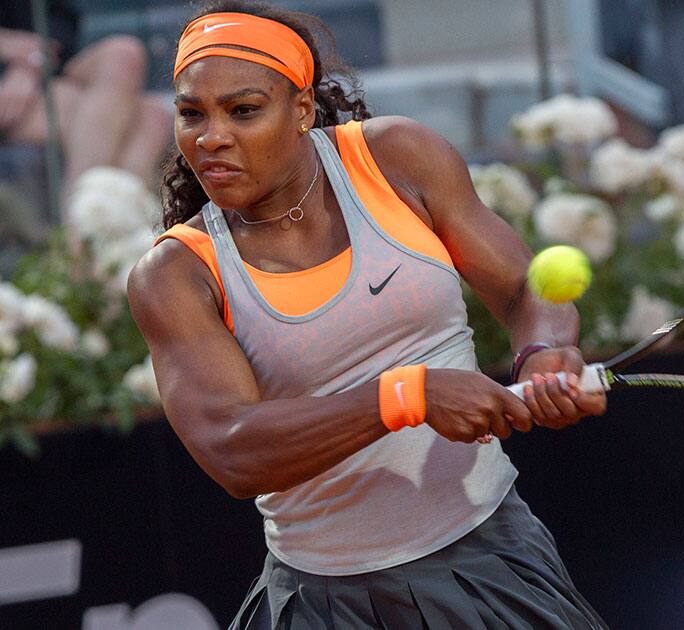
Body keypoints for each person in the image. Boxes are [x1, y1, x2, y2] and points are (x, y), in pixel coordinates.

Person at [127, 1, 609, 628]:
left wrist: (542, 353)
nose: (211, 136)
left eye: (243, 111)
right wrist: (406, 395)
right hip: (321, 603)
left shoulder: (397, 159)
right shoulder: (174, 275)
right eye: (191, 113)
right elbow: (231, 450)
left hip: (488, 556)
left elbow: (524, 290)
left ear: (301, 110)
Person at [0, 0, 172, 199]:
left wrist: (30, 66)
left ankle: (85, 216)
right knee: (149, 120)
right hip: (14, 89)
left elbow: (58, 19)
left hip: (47, 67)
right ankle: (87, 220)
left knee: (123, 54)